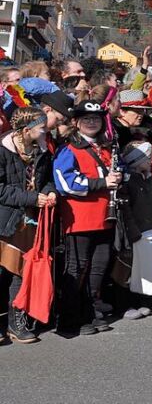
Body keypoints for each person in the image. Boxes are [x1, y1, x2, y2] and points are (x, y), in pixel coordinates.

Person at [52, 99, 121, 336]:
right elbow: (65, 183)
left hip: (105, 216)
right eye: (86, 119)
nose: (92, 122)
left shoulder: (106, 145)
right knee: (78, 268)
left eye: (96, 119)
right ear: (76, 122)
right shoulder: (68, 148)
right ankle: (69, 319)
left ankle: (89, 312)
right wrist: (102, 182)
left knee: (98, 268)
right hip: (80, 218)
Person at [0, 107, 56, 343]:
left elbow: (47, 180)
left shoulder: (42, 150)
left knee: (21, 273)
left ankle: (16, 322)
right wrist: (32, 198)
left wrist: (49, 192)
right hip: (5, 219)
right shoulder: (3, 151)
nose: (46, 130)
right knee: (2, 272)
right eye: (41, 127)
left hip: (30, 220)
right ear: (26, 130)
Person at [119, 140, 152, 314]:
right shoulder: (129, 182)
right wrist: (133, 231)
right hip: (136, 232)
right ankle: (129, 302)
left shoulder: (149, 180)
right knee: (132, 268)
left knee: (147, 267)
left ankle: (145, 299)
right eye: (147, 158)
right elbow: (126, 209)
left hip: (150, 229)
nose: (151, 161)